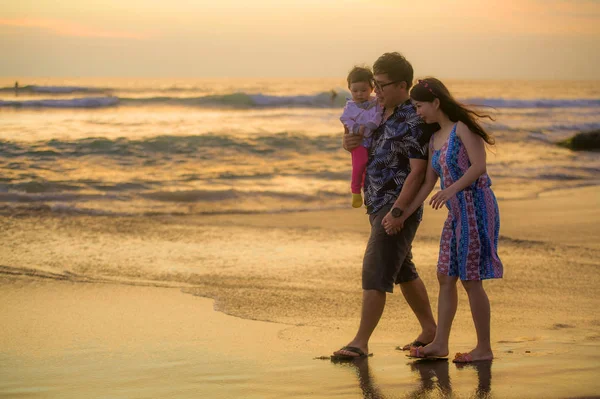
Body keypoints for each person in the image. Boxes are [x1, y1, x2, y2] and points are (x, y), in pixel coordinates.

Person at [332, 53, 438, 360]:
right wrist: (348, 142)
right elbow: (360, 143)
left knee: (375, 267)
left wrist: (399, 211)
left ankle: (360, 342)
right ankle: (430, 329)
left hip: (396, 206)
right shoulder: (379, 112)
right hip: (376, 201)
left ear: (402, 85)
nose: (375, 90)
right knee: (403, 269)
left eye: (381, 84)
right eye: (373, 84)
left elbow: (418, 172)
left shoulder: (414, 118)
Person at [400, 78, 503, 363]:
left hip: (477, 206)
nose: (418, 111)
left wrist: (451, 188)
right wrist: (404, 213)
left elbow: (479, 167)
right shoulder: (434, 139)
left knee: (471, 279)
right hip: (455, 211)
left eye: (419, 105)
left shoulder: (463, 129)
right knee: (445, 276)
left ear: (435, 102)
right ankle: (440, 343)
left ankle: (484, 348)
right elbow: (427, 184)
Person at [339, 67, 383, 208]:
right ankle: (355, 191)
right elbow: (345, 120)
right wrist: (357, 128)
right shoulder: (350, 107)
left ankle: (365, 189)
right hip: (359, 141)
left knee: (368, 166)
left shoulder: (376, 103)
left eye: (363, 90)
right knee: (359, 164)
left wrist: (371, 124)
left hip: (372, 139)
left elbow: (380, 114)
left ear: (371, 88)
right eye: (355, 90)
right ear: (349, 89)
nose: (359, 94)